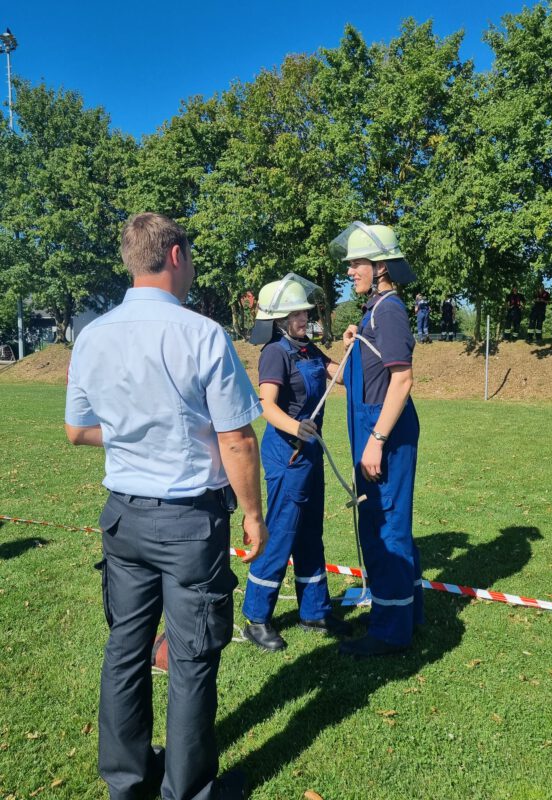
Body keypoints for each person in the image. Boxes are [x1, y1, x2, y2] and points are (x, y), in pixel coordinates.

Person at [65, 213, 267, 800]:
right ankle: (189, 790)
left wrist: (135, 434)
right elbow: (236, 439)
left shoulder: (92, 335)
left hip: (124, 518)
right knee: (193, 656)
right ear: (176, 255)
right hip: (188, 523)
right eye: (192, 256)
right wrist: (254, 515)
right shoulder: (201, 333)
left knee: (125, 651)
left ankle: (126, 782)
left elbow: (78, 431)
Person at [242, 274, 352, 651]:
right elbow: (266, 405)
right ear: (279, 320)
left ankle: (314, 611)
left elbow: (338, 374)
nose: (304, 317)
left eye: (304, 312)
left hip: (310, 454)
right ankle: (256, 618)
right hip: (286, 454)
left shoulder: (307, 349)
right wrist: (296, 427)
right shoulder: (275, 352)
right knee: (281, 532)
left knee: (309, 532)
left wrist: (352, 349)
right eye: (296, 314)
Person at [329, 222, 424, 657]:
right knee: (384, 523)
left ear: (381, 266)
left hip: (384, 433)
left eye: (357, 263)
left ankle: (390, 632)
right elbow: (368, 375)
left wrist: (377, 439)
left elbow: (401, 381)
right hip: (374, 428)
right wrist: (355, 342)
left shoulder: (389, 310)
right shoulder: (374, 311)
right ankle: (405, 614)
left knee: (387, 526)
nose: (350, 271)